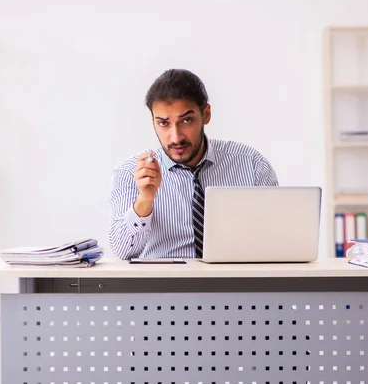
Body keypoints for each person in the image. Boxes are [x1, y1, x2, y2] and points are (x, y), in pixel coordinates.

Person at [109, 69, 278, 260]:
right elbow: (124, 252)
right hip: (163, 286)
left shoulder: (252, 165)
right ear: (153, 121)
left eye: (186, 120)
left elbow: (275, 241)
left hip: (235, 284)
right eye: (163, 123)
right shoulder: (130, 172)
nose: (176, 137)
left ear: (206, 114)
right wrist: (145, 199)